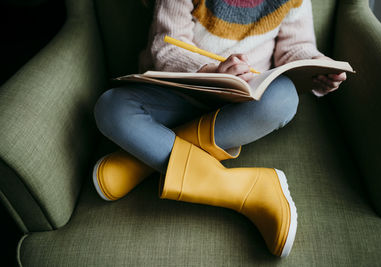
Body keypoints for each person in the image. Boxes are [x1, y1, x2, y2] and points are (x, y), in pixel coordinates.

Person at [92, 0, 347, 257]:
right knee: (111, 107)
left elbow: (296, 47)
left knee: (285, 97)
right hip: (179, 92)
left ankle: (139, 163)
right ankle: (243, 190)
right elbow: (167, 45)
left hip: (240, 104)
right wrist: (212, 71)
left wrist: (316, 66)